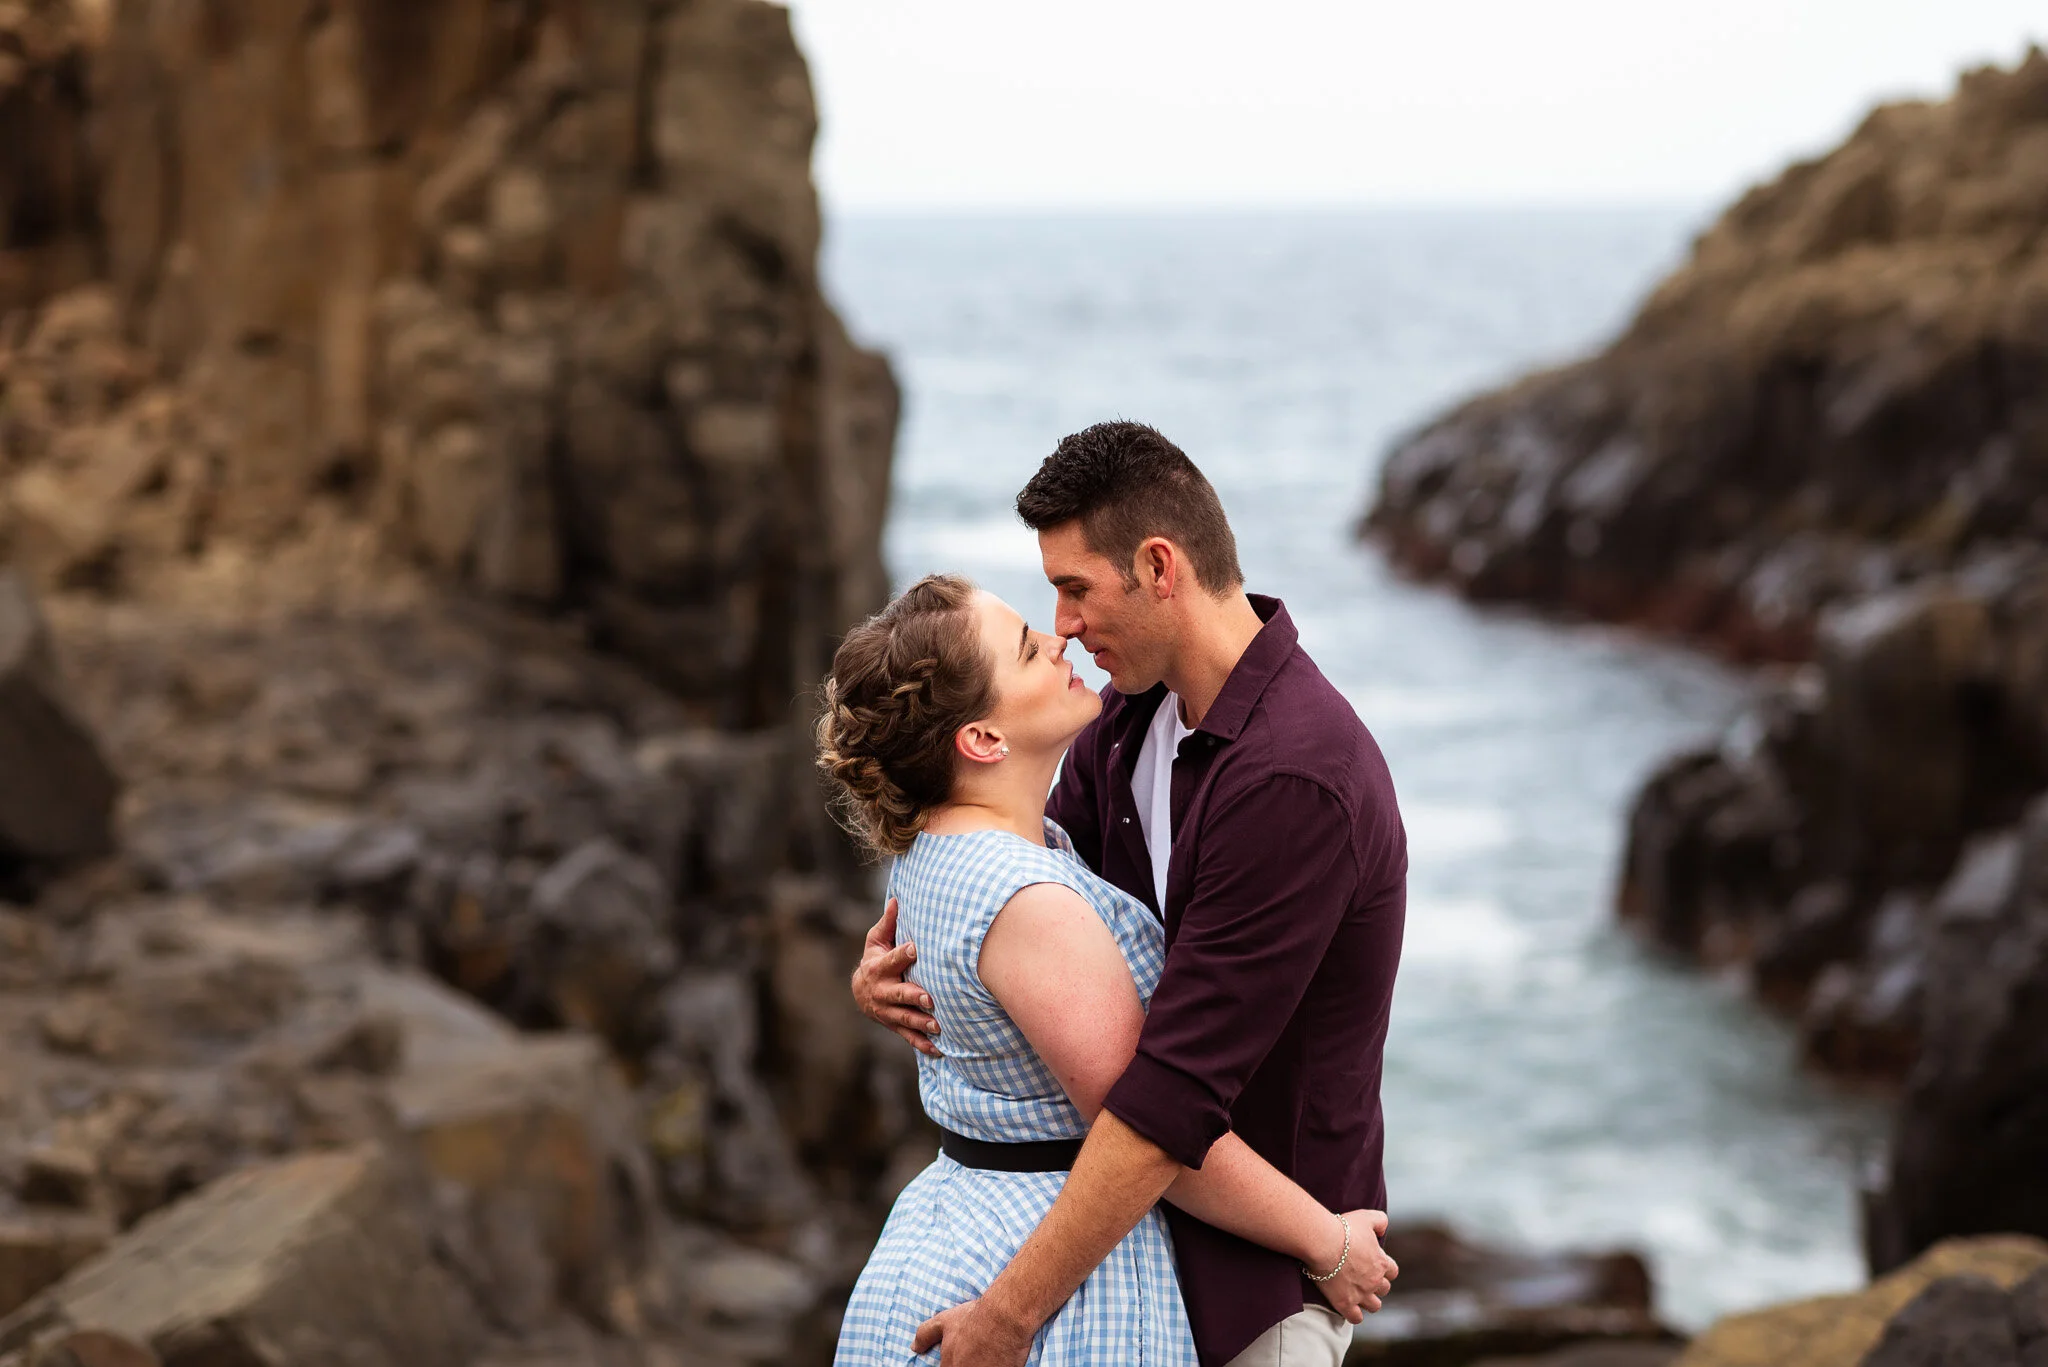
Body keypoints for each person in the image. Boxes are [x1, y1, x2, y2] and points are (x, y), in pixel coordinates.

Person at [853, 422, 1408, 1367]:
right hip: (1131, 1244)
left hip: (1262, 1278)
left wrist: (1008, 1314)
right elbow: (1032, 891)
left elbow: (1166, 1097)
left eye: (1075, 588)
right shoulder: (1126, 720)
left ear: (1159, 567)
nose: (1062, 623)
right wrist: (899, 970)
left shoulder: (1293, 780)